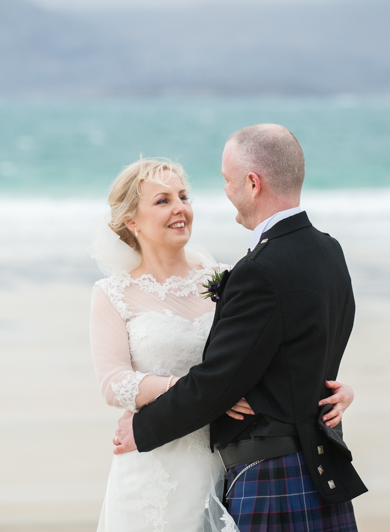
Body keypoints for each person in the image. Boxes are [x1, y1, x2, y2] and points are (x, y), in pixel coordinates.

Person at [113, 126, 368, 531]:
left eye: (227, 180)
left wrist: (143, 429)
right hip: (320, 466)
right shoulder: (329, 250)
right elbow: (311, 347)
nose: (226, 191)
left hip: (271, 474)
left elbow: (219, 381)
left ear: (252, 183)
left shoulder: (259, 270)